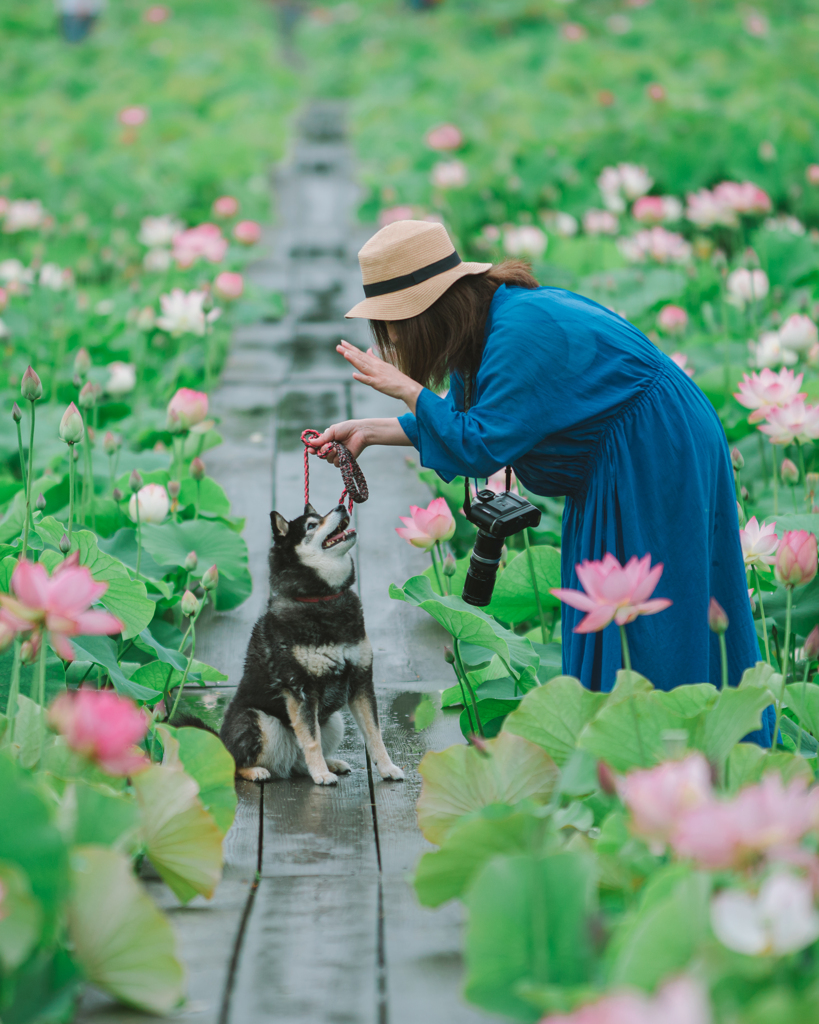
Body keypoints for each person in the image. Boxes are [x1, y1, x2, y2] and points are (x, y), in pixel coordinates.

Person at [308, 219, 773, 745]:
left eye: (391, 325)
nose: (389, 341)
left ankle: (688, 750)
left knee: (661, 613)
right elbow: (474, 423)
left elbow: (480, 445)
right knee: (607, 611)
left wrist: (408, 391)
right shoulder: (484, 325)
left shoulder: (521, 330)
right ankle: (620, 748)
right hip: (621, 454)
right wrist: (371, 430)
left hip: (657, 446)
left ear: (426, 312)